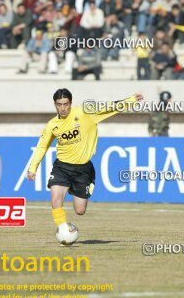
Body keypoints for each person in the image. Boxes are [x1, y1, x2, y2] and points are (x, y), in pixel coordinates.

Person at [26, 89, 143, 237]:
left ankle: (84, 185)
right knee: (55, 199)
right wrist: (33, 168)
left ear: (71, 103)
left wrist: (130, 100)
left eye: (66, 104)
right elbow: (42, 146)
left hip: (83, 169)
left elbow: (109, 107)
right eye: (59, 104)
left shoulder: (84, 112)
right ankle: (64, 233)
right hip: (62, 167)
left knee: (80, 211)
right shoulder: (52, 125)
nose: (63, 108)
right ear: (54, 104)